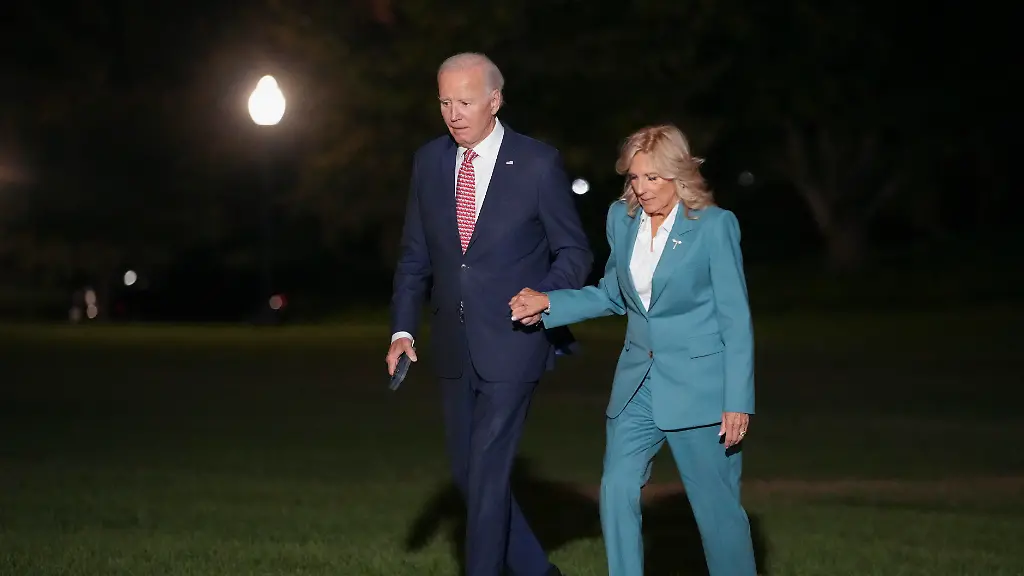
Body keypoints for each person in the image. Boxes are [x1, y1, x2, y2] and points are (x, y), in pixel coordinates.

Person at [508, 124, 758, 576]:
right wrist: (549, 304)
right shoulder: (621, 220)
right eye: (635, 177)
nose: (641, 188)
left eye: (652, 178)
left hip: (699, 389)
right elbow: (613, 294)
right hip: (636, 386)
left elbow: (735, 320)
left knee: (717, 512)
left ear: (679, 175)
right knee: (616, 489)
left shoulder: (714, 227)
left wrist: (737, 400)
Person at [386, 52, 592, 576]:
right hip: (452, 344)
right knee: (470, 475)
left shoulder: (538, 163)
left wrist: (545, 296)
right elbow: (415, 257)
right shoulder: (429, 161)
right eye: (444, 102)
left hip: (514, 341)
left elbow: (574, 251)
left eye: (465, 102)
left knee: (487, 475)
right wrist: (403, 329)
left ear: (495, 101)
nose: (453, 114)